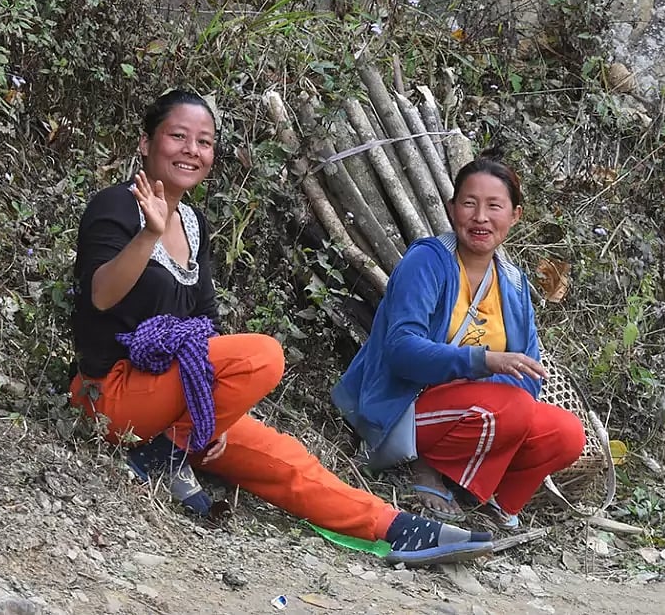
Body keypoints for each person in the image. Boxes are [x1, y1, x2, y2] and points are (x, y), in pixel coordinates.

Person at [67, 89, 492, 567]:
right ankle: (165, 456)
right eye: (178, 136)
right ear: (146, 143)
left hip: (179, 398)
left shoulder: (194, 223)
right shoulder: (115, 207)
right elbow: (100, 297)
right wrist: (149, 233)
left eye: (204, 142)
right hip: (111, 395)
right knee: (263, 355)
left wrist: (214, 411)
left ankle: (399, 530)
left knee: (288, 460)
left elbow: (205, 324)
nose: (192, 150)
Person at [333, 149, 586, 529]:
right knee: (513, 407)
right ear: (452, 210)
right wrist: (481, 362)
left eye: (494, 206)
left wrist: (493, 380)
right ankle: (427, 468)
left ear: (515, 216)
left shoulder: (515, 285)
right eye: (469, 204)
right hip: (405, 407)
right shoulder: (428, 261)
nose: (480, 217)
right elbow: (400, 349)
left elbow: (528, 376)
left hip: (481, 412)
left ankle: (493, 503)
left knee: (567, 433)